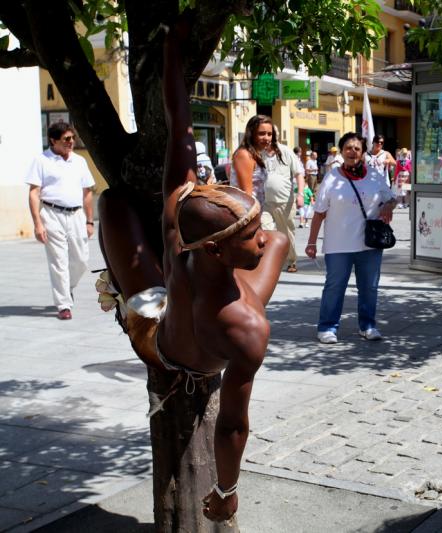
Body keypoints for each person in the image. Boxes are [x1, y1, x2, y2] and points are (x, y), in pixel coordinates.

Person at [96, 21, 288, 522]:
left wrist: (173, 53)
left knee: (285, 239)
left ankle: (194, 269)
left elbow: (179, 122)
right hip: (161, 338)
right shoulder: (247, 328)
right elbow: (231, 428)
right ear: (218, 251)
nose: (261, 236)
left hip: (198, 307)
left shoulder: (181, 210)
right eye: (250, 235)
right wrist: (226, 490)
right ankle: (121, 285)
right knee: (111, 203)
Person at [305, 132, 396, 344]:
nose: (352, 152)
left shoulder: (374, 175)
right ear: (342, 151)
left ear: (363, 152)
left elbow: (391, 198)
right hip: (338, 244)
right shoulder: (332, 177)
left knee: (369, 287)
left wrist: (387, 207)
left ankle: (368, 326)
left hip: (370, 243)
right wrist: (311, 242)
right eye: (348, 148)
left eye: (357, 148)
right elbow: (319, 211)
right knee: (335, 286)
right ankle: (327, 327)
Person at [25, 122, 95, 320]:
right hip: (51, 215)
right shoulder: (41, 160)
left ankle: (68, 287)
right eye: (66, 139)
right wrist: (38, 223)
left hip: (76, 216)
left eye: (72, 138)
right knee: (59, 261)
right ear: (53, 141)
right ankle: (64, 304)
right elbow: (33, 193)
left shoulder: (80, 161)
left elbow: (87, 192)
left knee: (81, 260)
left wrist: (90, 221)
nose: (71, 142)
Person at [252, 125, 304, 273]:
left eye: (271, 135)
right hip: (264, 201)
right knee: (266, 229)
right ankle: (271, 260)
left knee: (286, 232)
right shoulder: (258, 153)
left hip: (284, 201)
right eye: (264, 134)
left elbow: (299, 174)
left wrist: (300, 194)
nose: (267, 138)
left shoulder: (286, 152)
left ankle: (291, 260)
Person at [230, 115, 270, 206]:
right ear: (251, 134)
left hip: (256, 211)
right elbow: (246, 196)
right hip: (247, 213)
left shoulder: (256, 154)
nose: (266, 138)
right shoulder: (244, 155)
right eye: (261, 133)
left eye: (269, 134)